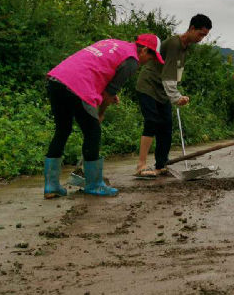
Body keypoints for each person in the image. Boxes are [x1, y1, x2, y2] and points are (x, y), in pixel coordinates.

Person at [44, 34, 164, 198]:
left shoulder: (113, 43)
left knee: (62, 130)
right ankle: (94, 184)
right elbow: (108, 93)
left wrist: (107, 94)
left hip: (57, 80)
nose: (146, 63)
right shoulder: (132, 61)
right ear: (143, 50)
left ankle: (51, 186)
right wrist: (100, 113)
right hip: (78, 85)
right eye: (150, 58)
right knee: (92, 132)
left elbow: (97, 69)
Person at [133, 14, 212, 178]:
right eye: (200, 34)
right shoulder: (174, 44)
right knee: (152, 121)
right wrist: (176, 97)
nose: (201, 38)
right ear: (191, 29)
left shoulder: (185, 47)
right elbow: (167, 76)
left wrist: (176, 95)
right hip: (149, 85)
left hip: (163, 90)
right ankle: (141, 165)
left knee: (166, 126)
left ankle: (161, 165)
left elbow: (175, 74)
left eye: (204, 36)